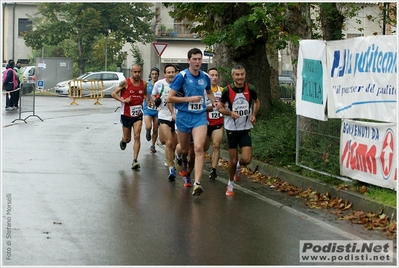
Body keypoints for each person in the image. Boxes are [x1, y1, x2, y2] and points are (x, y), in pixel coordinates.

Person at [167, 48, 216, 196]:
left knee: (199, 147)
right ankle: (178, 157)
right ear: (188, 60)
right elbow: (170, 98)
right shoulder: (181, 76)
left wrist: (215, 103)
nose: (197, 62)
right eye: (194, 59)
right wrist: (190, 99)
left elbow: (209, 92)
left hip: (199, 116)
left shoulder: (205, 77)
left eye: (199, 59)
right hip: (183, 116)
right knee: (183, 149)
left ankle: (197, 183)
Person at [218, 65, 260, 196]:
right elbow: (220, 108)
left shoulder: (250, 88)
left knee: (247, 159)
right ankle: (230, 184)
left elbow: (257, 102)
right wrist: (230, 113)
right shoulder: (227, 90)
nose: (240, 77)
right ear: (233, 76)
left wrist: (254, 114)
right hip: (231, 129)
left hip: (245, 127)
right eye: (237, 74)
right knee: (232, 160)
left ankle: (238, 167)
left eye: (242, 74)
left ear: (245, 75)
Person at [111, 64, 149, 170]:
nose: (137, 74)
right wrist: (123, 100)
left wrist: (148, 100)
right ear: (131, 72)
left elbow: (145, 94)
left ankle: (135, 160)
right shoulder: (125, 82)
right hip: (126, 114)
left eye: (139, 72)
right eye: (135, 72)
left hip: (138, 114)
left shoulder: (144, 83)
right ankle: (123, 140)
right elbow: (114, 93)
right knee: (128, 139)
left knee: (137, 136)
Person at [151, 64, 179, 181]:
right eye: (169, 72)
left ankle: (175, 158)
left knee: (175, 145)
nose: (171, 74)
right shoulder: (159, 84)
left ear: (176, 73)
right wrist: (155, 100)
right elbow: (152, 95)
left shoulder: (180, 84)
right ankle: (171, 168)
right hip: (163, 115)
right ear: (165, 74)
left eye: (173, 72)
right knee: (168, 142)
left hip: (178, 117)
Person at [203, 68, 224, 180]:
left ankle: (214, 169)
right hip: (204, 123)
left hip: (218, 122)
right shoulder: (203, 90)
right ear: (208, 77)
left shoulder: (222, 90)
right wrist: (209, 108)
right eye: (212, 75)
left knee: (216, 145)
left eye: (216, 75)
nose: (214, 77)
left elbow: (226, 105)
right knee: (204, 147)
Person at [144, 67, 160, 153]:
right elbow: (143, 93)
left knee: (156, 129)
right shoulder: (147, 84)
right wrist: (147, 100)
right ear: (150, 75)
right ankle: (147, 131)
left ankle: (153, 145)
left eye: (156, 74)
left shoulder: (161, 84)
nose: (154, 76)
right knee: (149, 126)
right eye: (152, 74)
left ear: (158, 75)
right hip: (148, 108)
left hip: (157, 110)